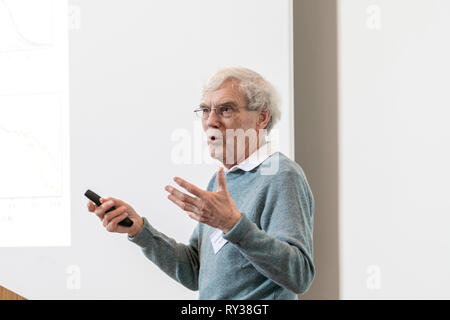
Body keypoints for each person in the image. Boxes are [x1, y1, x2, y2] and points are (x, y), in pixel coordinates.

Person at [86, 67, 315, 299]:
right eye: (205, 111)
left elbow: (300, 275)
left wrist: (233, 225)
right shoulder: (222, 180)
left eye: (225, 109)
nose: (211, 121)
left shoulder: (282, 176)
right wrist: (139, 230)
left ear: (261, 118)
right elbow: (195, 271)